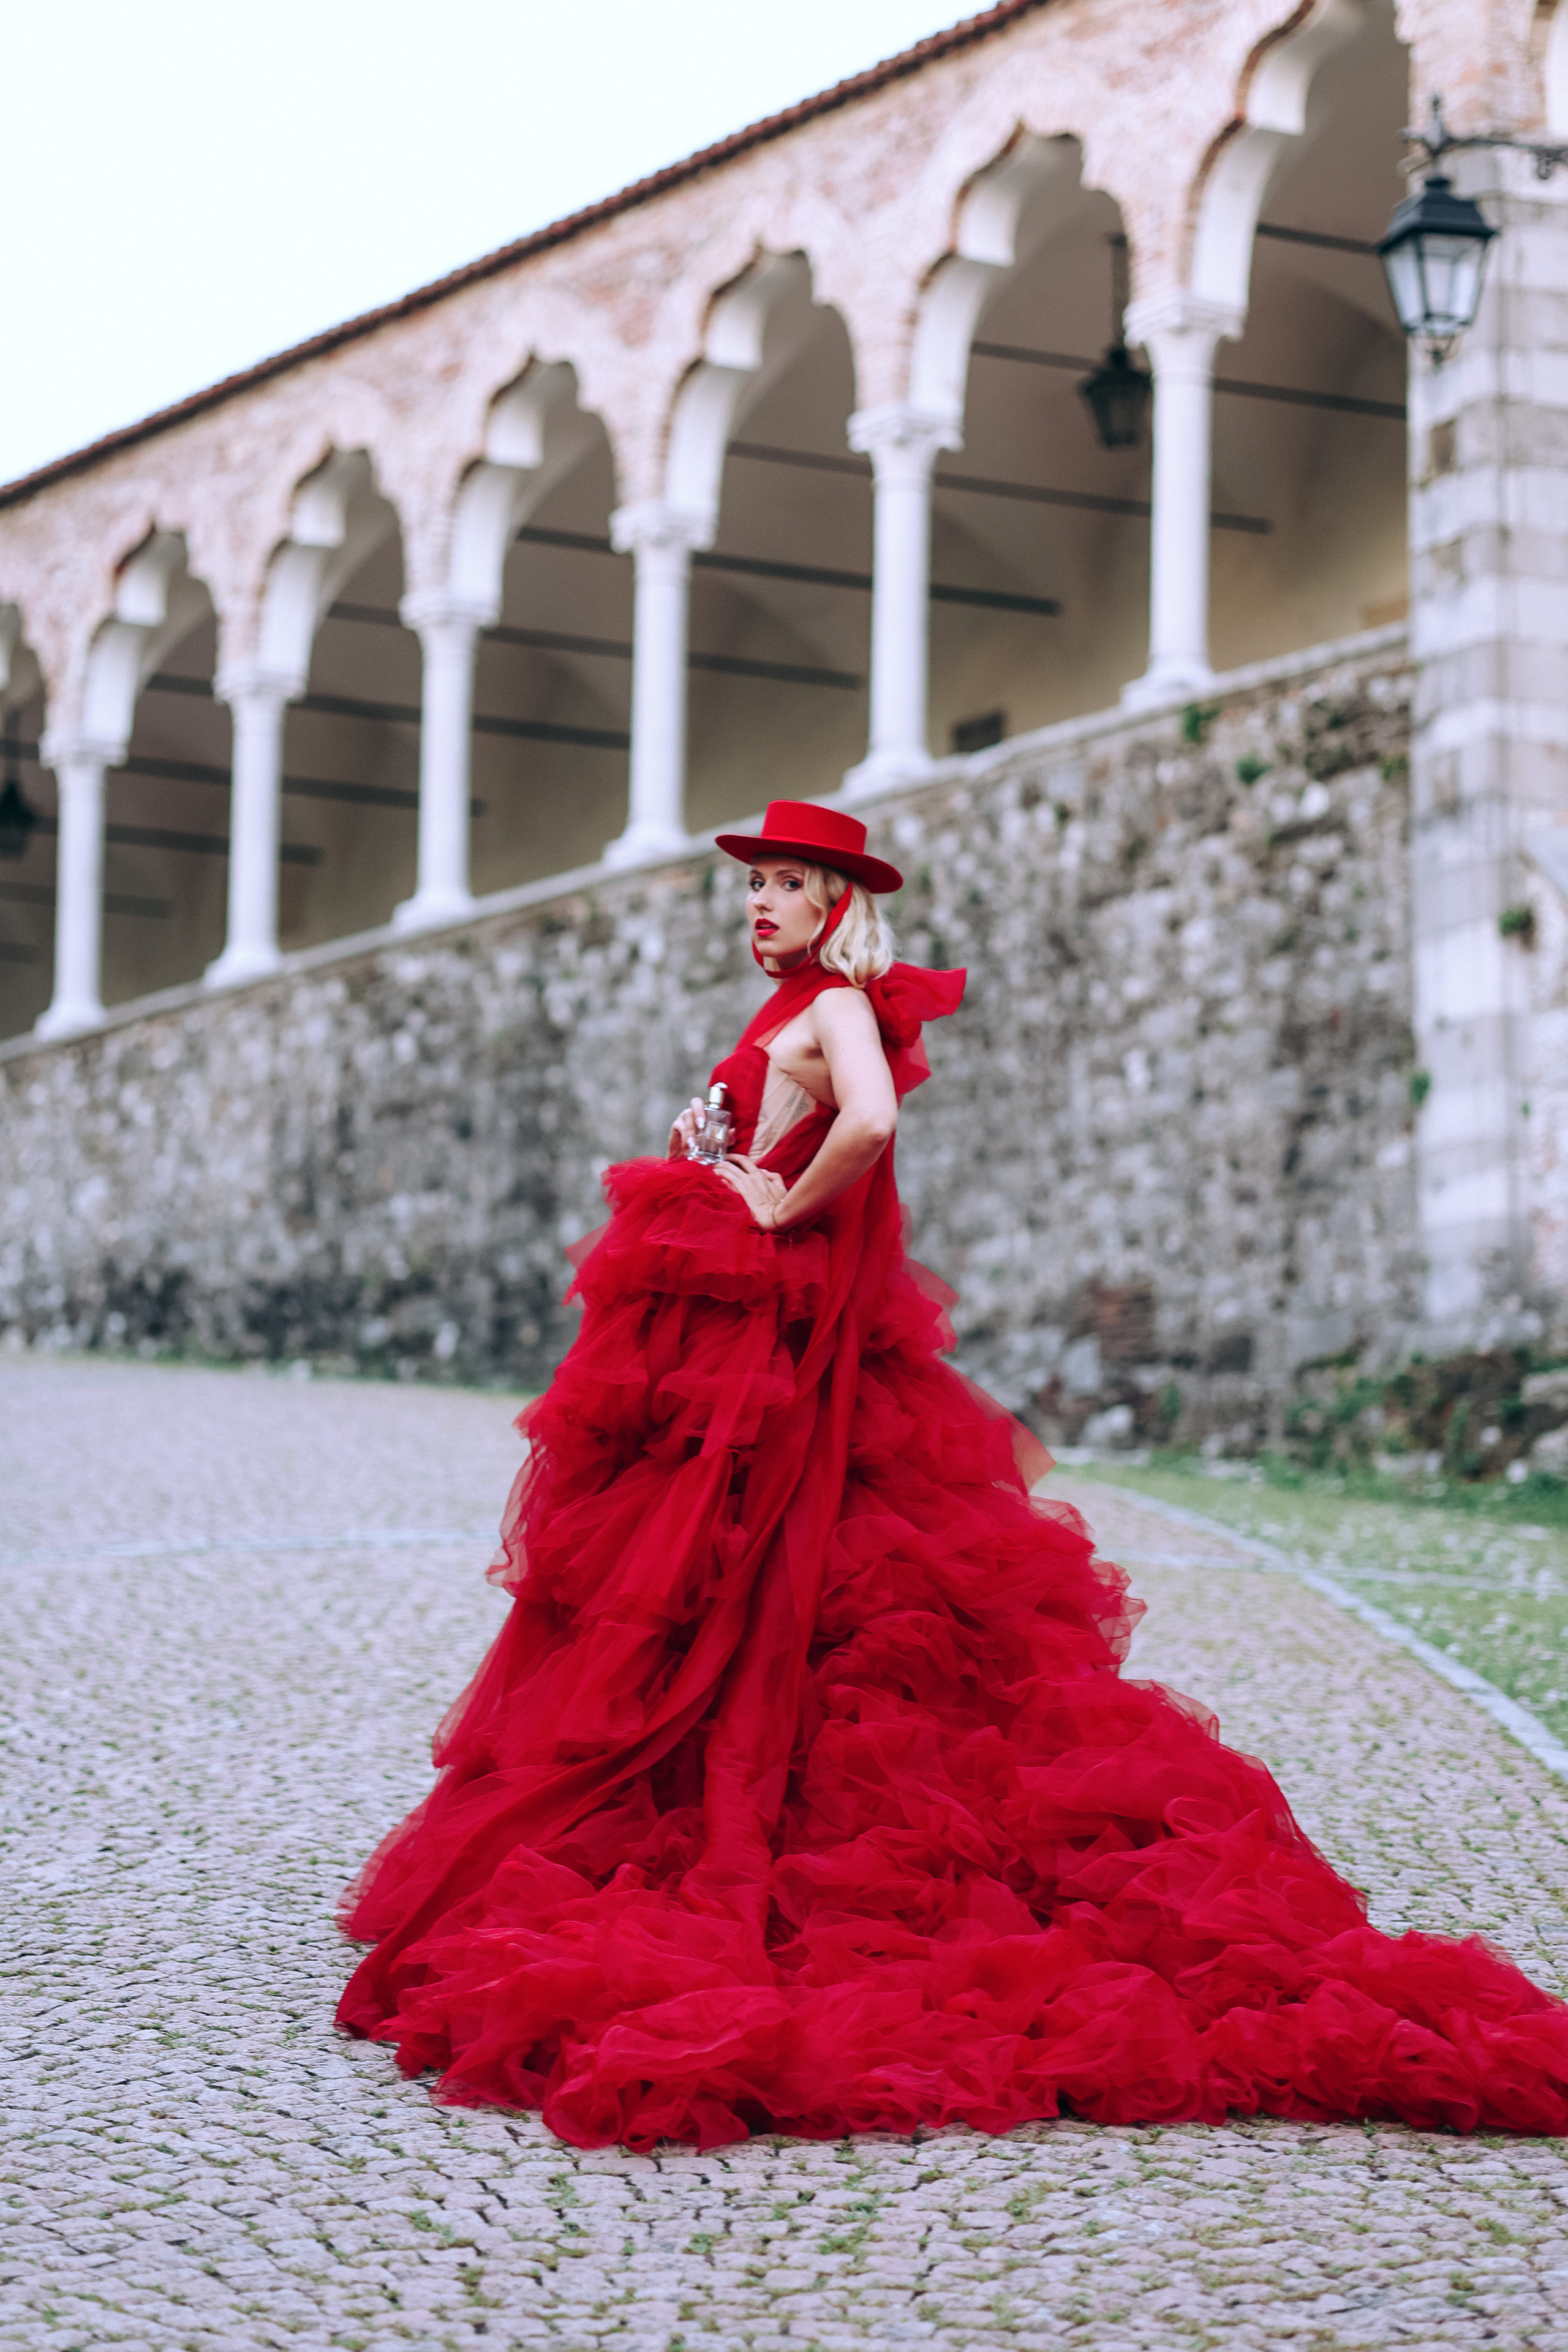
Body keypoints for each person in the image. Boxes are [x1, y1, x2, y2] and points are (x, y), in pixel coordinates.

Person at [338, 799, 1568, 2151]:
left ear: (833, 906)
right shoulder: (786, 1009)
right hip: (760, 1361)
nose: (760, 903)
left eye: (787, 884)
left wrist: (768, 1201)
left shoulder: (842, 1008)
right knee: (738, 1600)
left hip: (793, 1359)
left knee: (812, 1600)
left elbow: (861, 1127)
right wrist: (729, 1171)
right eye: (754, 884)